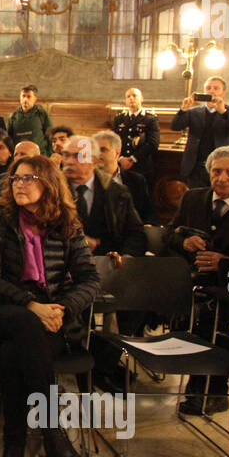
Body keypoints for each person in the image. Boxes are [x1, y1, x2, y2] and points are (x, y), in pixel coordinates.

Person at [0, 155, 101, 457]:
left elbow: (90, 280)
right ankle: (52, 435)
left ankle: (12, 456)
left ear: (48, 183)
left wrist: (62, 308)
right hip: (2, 315)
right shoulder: (1, 222)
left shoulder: (68, 224)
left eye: (29, 179)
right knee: (25, 326)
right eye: (15, 179)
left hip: (51, 322)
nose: (19, 185)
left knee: (17, 356)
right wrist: (32, 305)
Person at [165, 145, 229, 413]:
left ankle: (211, 390)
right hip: (190, 278)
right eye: (217, 171)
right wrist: (184, 240)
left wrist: (224, 263)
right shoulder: (193, 199)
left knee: (214, 314)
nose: (222, 178)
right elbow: (169, 234)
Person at [62, 134, 147, 392]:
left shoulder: (116, 192)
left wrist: (129, 256)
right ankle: (83, 365)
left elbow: (136, 233)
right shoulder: (53, 189)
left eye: (77, 156)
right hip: (64, 266)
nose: (69, 161)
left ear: (95, 160)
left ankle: (103, 363)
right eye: (65, 155)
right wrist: (74, 240)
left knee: (136, 302)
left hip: (108, 264)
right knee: (77, 304)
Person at [171, 76, 229, 187]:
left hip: (221, 165)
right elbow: (175, 126)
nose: (211, 90)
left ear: (223, 92)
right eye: (208, 88)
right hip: (196, 166)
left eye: (216, 88)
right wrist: (183, 109)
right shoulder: (194, 111)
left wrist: (223, 112)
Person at [92, 129, 153, 223]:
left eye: (103, 149)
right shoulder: (85, 181)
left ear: (117, 153)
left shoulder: (136, 180)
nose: (97, 154)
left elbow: (149, 212)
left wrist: (149, 225)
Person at [112, 87, 160, 184]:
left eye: (134, 96)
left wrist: (132, 159)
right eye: (128, 96)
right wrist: (121, 159)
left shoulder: (150, 119)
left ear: (141, 98)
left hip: (141, 166)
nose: (131, 98)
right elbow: (113, 142)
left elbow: (153, 144)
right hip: (121, 166)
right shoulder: (119, 119)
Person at [6, 84, 52, 156]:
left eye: (29, 96)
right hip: (20, 156)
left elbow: (50, 135)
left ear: (35, 99)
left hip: (39, 155)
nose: (25, 99)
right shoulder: (13, 117)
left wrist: (50, 154)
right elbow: (9, 138)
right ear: (20, 98)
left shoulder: (41, 114)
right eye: (23, 96)